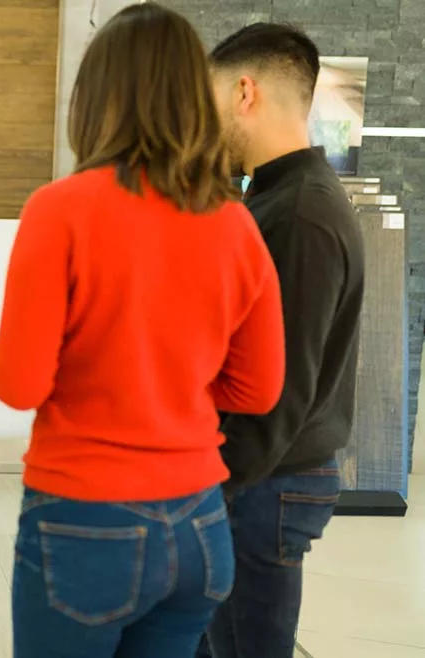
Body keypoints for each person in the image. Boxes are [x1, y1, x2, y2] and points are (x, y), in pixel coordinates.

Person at [0, 4, 288, 657]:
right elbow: (259, 390)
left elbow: (18, 383)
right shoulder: (236, 223)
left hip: (85, 520)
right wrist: (171, 390)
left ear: (96, 97)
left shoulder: (59, 210)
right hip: (200, 529)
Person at [197, 24, 365, 658]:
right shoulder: (274, 199)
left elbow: (280, 387)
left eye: (209, 102)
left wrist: (212, 484)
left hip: (266, 477)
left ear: (245, 92)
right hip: (263, 472)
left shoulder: (300, 213)